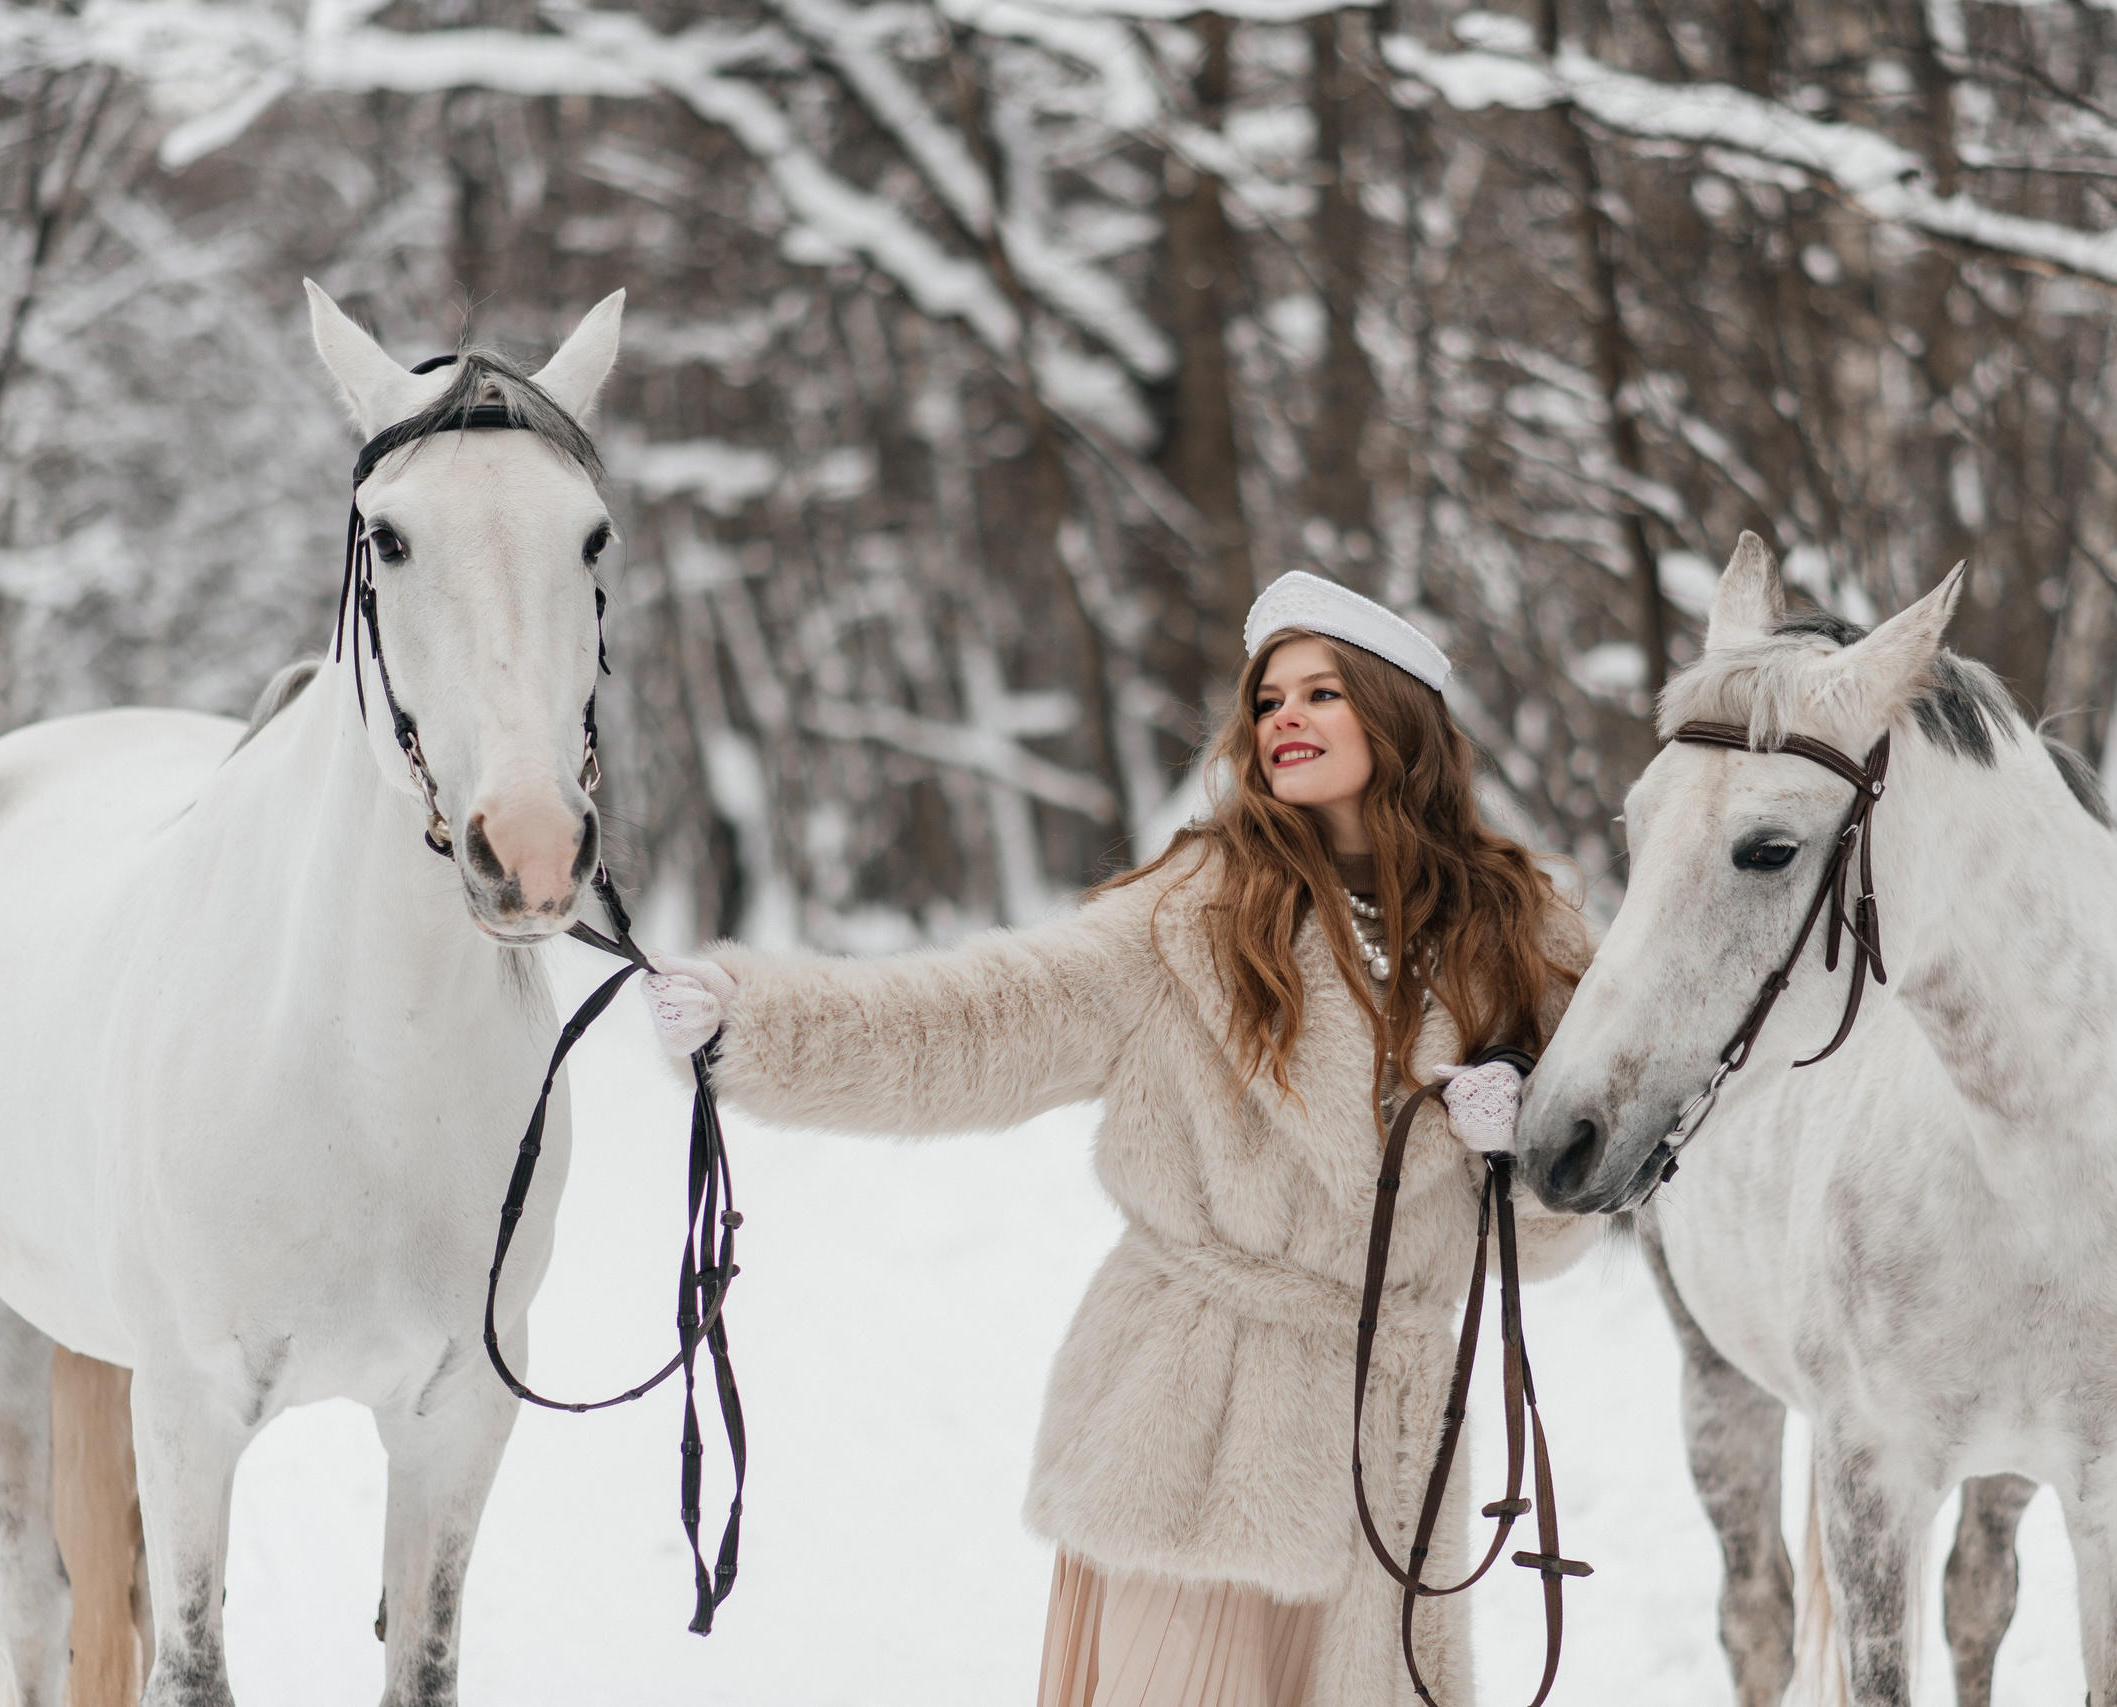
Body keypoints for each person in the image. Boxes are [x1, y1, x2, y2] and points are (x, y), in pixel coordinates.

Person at [643, 572, 1599, 1707]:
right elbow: (976, 1020)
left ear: (1395, 718)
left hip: (1391, 1444)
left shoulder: (1520, 931)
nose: (1282, 718)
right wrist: (755, 1024)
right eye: (1267, 700)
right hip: (1194, 1430)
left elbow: (1550, 1233)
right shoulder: (1194, 915)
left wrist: (1524, 1160)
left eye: (1322, 693)